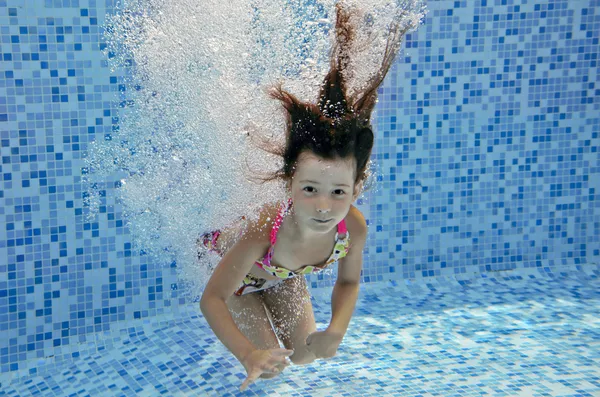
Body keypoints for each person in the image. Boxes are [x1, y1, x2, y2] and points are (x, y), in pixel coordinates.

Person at [199, 2, 413, 391]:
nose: (323, 206)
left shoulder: (353, 228)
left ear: (356, 188)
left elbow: (347, 284)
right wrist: (247, 353)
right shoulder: (265, 228)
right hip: (239, 283)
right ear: (289, 182)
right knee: (271, 366)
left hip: (282, 277)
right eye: (310, 189)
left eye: (339, 192)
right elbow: (211, 298)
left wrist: (336, 330)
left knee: (306, 354)